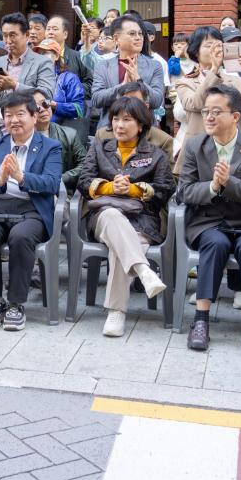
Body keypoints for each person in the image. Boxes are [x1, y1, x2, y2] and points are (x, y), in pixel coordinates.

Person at [177, 85, 241, 356]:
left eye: (216, 112)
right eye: (206, 111)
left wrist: (229, 183)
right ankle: (200, 321)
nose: (208, 117)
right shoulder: (196, 145)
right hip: (209, 221)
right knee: (215, 243)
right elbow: (183, 191)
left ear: (235, 116)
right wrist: (212, 187)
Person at [77, 96, 174, 336]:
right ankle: (143, 271)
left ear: (140, 125)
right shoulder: (100, 148)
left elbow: (165, 190)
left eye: (127, 120)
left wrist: (133, 189)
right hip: (103, 216)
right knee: (111, 215)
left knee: (121, 247)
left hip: (141, 219)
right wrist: (110, 187)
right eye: (116, 119)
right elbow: (83, 181)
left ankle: (116, 313)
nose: (119, 125)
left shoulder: (155, 154)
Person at [0, 91, 63, 332]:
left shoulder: (50, 147)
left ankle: (15, 303)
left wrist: (21, 177)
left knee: (21, 237)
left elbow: (52, 183)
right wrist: (0, 179)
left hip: (32, 209)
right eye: (8, 115)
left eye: (20, 114)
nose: (14, 120)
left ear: (34, 117)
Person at [173, 27, 241, 173]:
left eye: (219, 45)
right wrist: (213, 70)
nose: (215, 49)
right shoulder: (185, 82)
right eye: (208, 45)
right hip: (200, 151)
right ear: (195, 51)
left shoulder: (235, 80)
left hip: (233, 150)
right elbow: (195, 104)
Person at [91, 16, 166, 128]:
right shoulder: (103, 66)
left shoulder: (154, 66)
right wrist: (122, 87)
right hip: (110, 130)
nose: (138, 38)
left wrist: (139, 82)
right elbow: (97, 99)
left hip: (144, 131)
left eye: (140, 34)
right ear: (116, 39)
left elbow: (157, 100)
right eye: (132, 34)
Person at [0, 13, 56, 110]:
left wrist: (15, 85)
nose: (8, 40)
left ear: (27, 35)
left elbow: (46, 94)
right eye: (5, 35)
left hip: (30, 121)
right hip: (1, 122)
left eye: (13, 35)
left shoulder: (43, 62)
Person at [31, 88, 85, 194]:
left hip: (60, 193)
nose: (42, 109)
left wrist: (62, 179)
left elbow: (85, 164)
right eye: (36, 107)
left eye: (45, 104)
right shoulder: (21, 138)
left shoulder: (69, 134)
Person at [34, 39, 85, 130]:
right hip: (34, 129)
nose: (41, 57)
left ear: (56, 56)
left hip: (60, 131)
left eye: (45, 53)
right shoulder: (32, 77)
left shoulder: (69, 78)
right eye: (39, 54)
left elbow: (79, 109)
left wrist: (55, 105)